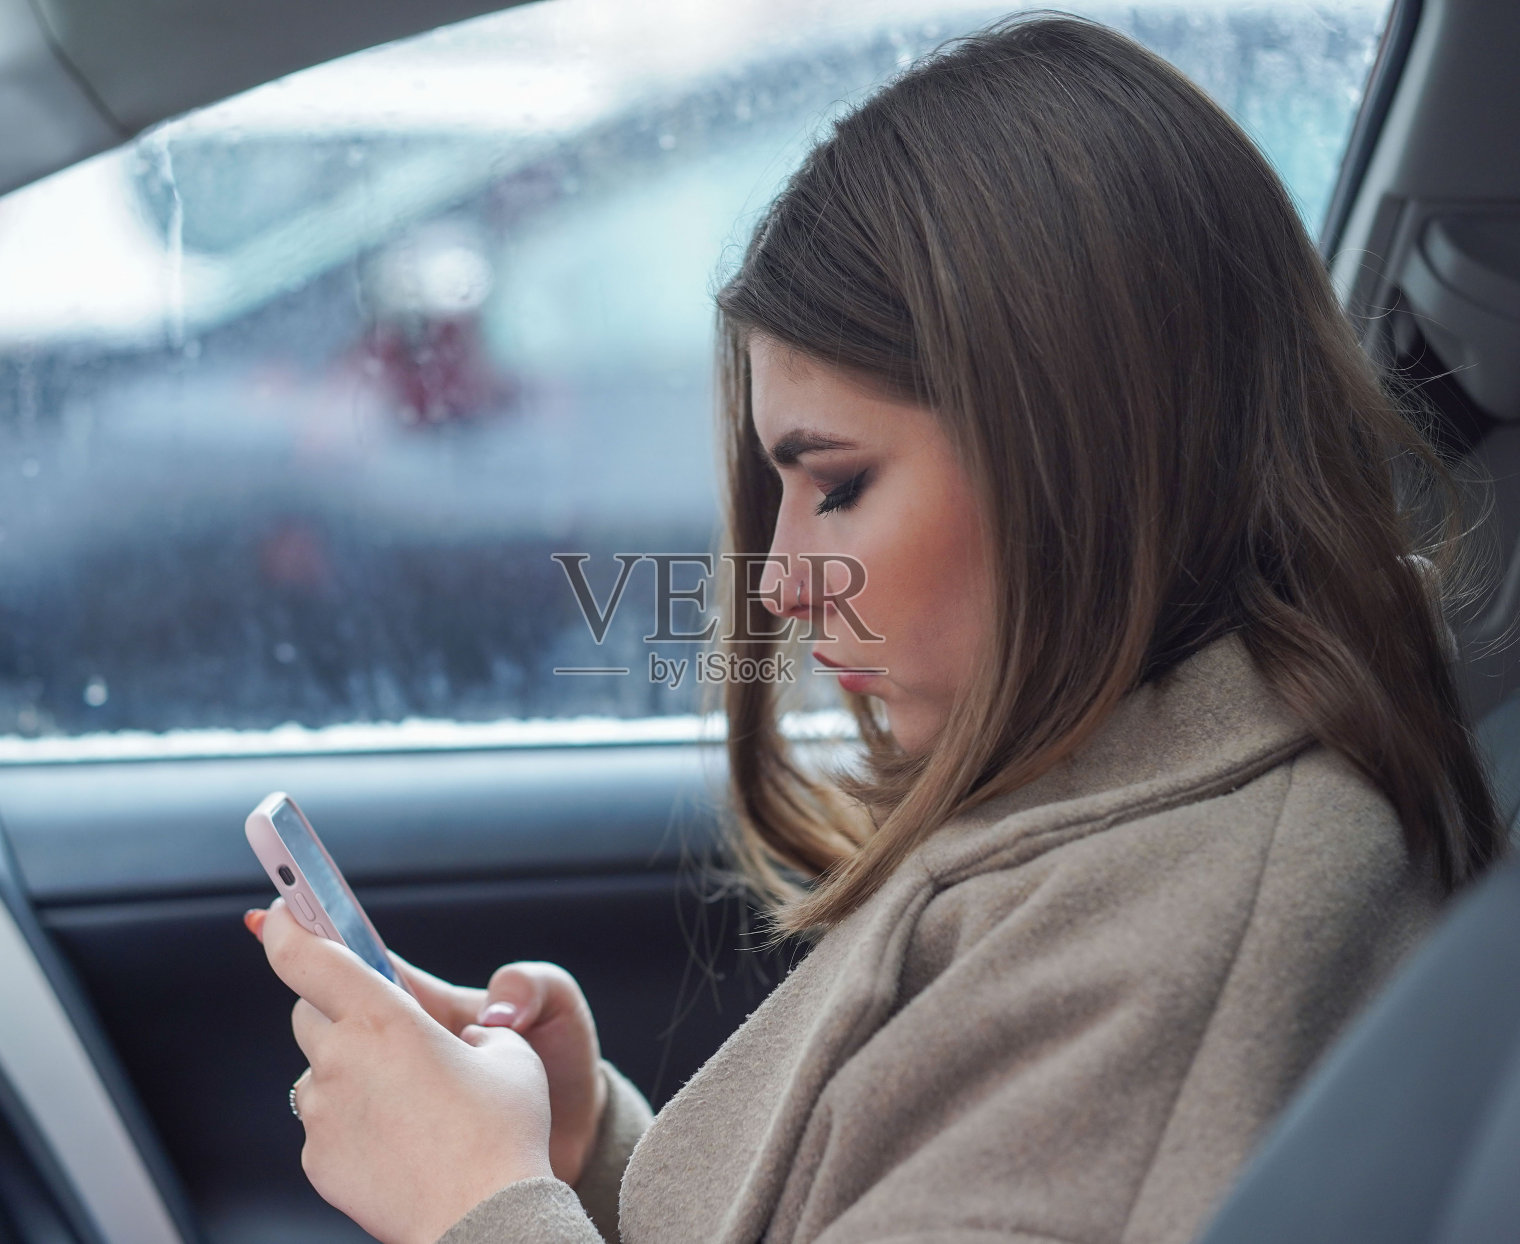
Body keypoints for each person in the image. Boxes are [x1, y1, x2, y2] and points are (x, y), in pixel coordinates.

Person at [242, 14, 1506, 1244]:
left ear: (1082, 456)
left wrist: (475, 1202)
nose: (783, 584)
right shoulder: (1112, 800)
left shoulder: (1192, 952)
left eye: (838, 485)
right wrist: (582, 1152)